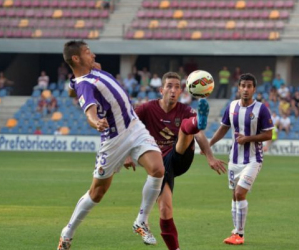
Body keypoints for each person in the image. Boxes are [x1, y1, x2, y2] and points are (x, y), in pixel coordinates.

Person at [57, 40, 165, 250]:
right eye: (88, 53)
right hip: (114, 139)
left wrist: (76, 83)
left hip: (135, 128)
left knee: (158, 169)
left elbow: (73, 88)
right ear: (76, 58)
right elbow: (89, 110)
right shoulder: (85, 84)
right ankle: (67, 233)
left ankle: (141, 221)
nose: (94, 55)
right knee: (97, 192)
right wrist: (96, 121)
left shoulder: (84, 77)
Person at [125, 72, 226, 250]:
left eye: (177, 87)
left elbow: (200, 136)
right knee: (165, 209)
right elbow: (127, 127)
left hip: (181, 156)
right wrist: (126, 154)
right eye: (169, 86)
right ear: (161, 89)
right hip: (160, 165)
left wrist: (210, 157)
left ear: (181, 91)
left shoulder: (184, 110)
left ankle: (197, 121)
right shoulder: (146, 109)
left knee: (186, 129)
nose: (173, 90)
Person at [209, 73, 274, 245]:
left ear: (254, 89)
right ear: (238, 88)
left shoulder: (261, 109)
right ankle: (235, 229)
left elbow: (269, 134)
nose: (245, 89)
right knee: (234, 195)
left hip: (253, 159)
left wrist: (248, 139)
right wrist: (209, 144)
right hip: (234, 159)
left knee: (240, 193)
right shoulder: (231, 107)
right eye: (243, 85)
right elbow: (223, 128)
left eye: (249, 86)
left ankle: (240, 234)